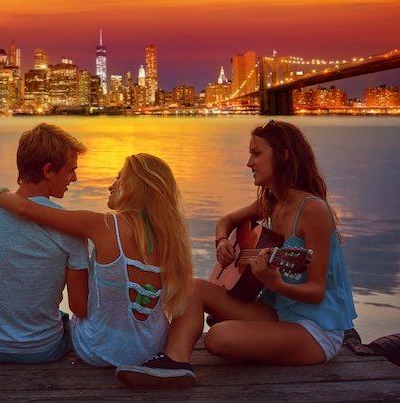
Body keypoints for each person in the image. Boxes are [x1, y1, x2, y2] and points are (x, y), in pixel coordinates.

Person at [116, 119, 357, 387]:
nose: (248, 163)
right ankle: (175, 362)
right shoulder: (271, 202)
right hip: (277, 315)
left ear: (283, 156)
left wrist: (274, 283)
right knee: (192, 288)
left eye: (256, 154)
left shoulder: (313, 211)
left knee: (218, 338)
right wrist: (222, 242)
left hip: (316, 330)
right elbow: (226, 220)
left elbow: (317, 291)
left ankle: (253, 344)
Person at [0, 152, 194, 374]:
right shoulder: (173, 239)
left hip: (96, 350)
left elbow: (26, 210)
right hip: (149, 350)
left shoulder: (104, 225)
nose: (111, 186)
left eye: (119, 178)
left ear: (136, 186)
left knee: (71, 318)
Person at [0, 122, 89, 363]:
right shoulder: (69, 227)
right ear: (48, 170)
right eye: (70, 170)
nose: (74, 178)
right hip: (42, 350)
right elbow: (80, 308)